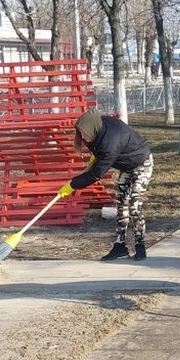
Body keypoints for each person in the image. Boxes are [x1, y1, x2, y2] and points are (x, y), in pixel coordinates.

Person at [58, 108, 154, 261]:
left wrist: (73, 185)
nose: (82, 137)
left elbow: (97, 174)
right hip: (126, 166)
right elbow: (97, 156)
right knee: (122, 206)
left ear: (92, 128)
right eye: (81, 133)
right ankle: (119, 247)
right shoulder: (95, 130)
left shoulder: (111, 141)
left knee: (134, 206)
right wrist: (93, 159)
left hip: (142, 163)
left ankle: (140, 245)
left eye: (84, 133)